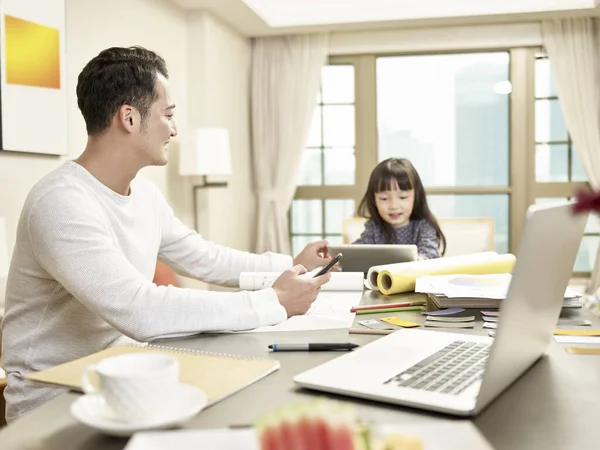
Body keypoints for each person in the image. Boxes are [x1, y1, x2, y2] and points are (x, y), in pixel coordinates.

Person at [0, 46, 333, 422]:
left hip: (125, 379)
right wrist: (272, 301)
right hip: (54, 404)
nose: (174, 129)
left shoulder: (144, 195)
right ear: (128, 117)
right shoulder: (60, 203)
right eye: (168, 115)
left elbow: (204, 258)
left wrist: (290, 267)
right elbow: (141, 309)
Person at [353, 158, 445, 259]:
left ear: (416, 197)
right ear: (374, 201)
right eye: (384, 198)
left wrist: (415, 263)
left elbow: (430, 251)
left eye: (403, 197)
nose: (393, 206)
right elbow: (357, 251)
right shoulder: (374, 228)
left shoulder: (423, 226)